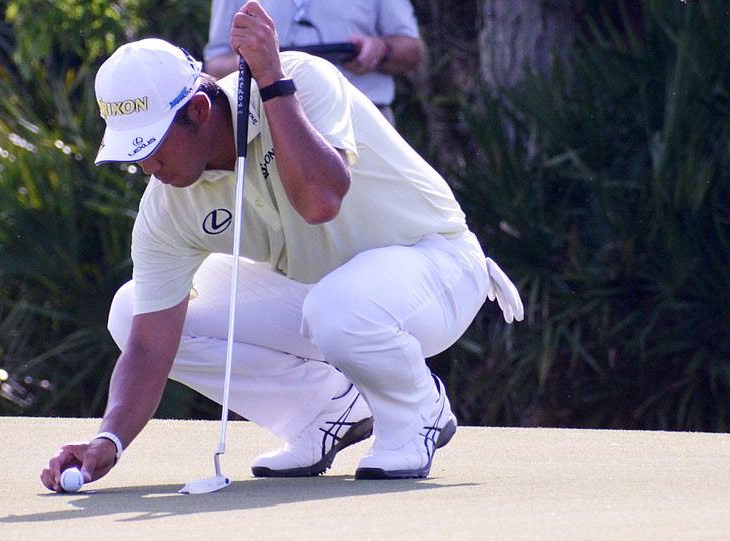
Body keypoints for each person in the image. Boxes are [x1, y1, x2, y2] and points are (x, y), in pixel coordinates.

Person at [40, 0, 522, 493]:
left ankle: (417, 409)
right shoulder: (166, 204)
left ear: (199, 111)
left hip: (437, 267)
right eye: (133, 153)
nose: (147, 168)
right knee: (130, 311)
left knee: (338, 307)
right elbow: (147, 345)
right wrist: (109, 440)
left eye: (153, 146)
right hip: (325, 296)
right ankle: (325, 411)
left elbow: (321, 200)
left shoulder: (302, 80)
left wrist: (272, 82)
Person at [203, 0, 423, 124]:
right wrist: (259, 62)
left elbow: (413, 50)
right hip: (272, 127)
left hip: (362, 121)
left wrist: (381, 49)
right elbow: (215, 64)